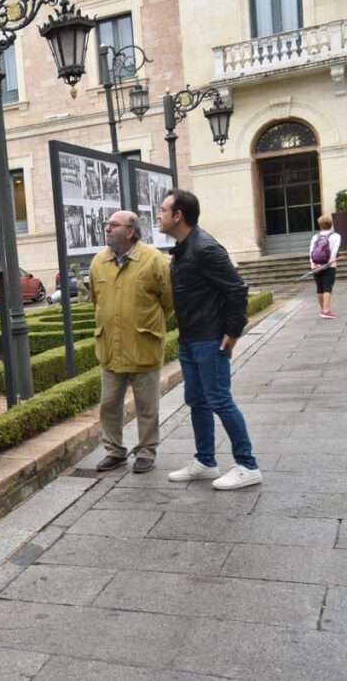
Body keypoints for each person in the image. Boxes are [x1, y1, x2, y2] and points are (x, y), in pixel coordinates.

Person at [159, 189, 260, 490]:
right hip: (191, 338)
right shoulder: (184, 248)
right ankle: (205, 462)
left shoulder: (205, 248)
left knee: (219, 399)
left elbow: (236, 289)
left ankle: (247, 465)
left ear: (178, 216)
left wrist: (232, 331)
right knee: (197, 400)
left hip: (209, 338)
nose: (159, 216)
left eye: (164, 210)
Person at [91, 211, 174, 474]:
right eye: (107, 224)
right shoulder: (98, 262)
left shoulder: (154, 260)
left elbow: (169, 302)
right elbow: (96, 300)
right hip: (110, 347)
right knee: (109, 405)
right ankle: (114, 452)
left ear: (130, 232)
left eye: (113, 225)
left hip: (143, 345)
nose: (107, 228)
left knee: (147, 406)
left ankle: (146, 451)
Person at [310, 214, 341, 319]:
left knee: (320, 288)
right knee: (327, 287)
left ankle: (323, 309)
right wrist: (331, 262)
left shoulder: (315, 237)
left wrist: (312, 264)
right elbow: (334, 251)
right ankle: (326, 310)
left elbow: (311, 252)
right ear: (331, 224)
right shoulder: (336, 236)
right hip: (329, 266)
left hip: (316, 266)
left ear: (320, 225)